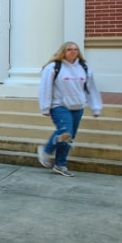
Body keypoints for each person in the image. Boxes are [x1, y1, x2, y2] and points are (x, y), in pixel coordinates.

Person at [36, 41, 102, 177]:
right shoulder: (54, 67)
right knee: (65, 131)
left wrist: (95, 107)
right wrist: (45, 107)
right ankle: (46, 150)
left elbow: (91, 88)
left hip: (77, 106)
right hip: (59, 105)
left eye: (75, 49)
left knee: (68, 137)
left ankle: (60, 164)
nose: (73, 51)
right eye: (69, 49)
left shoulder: (84, 67)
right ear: (63, 52)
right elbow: (45, 87)